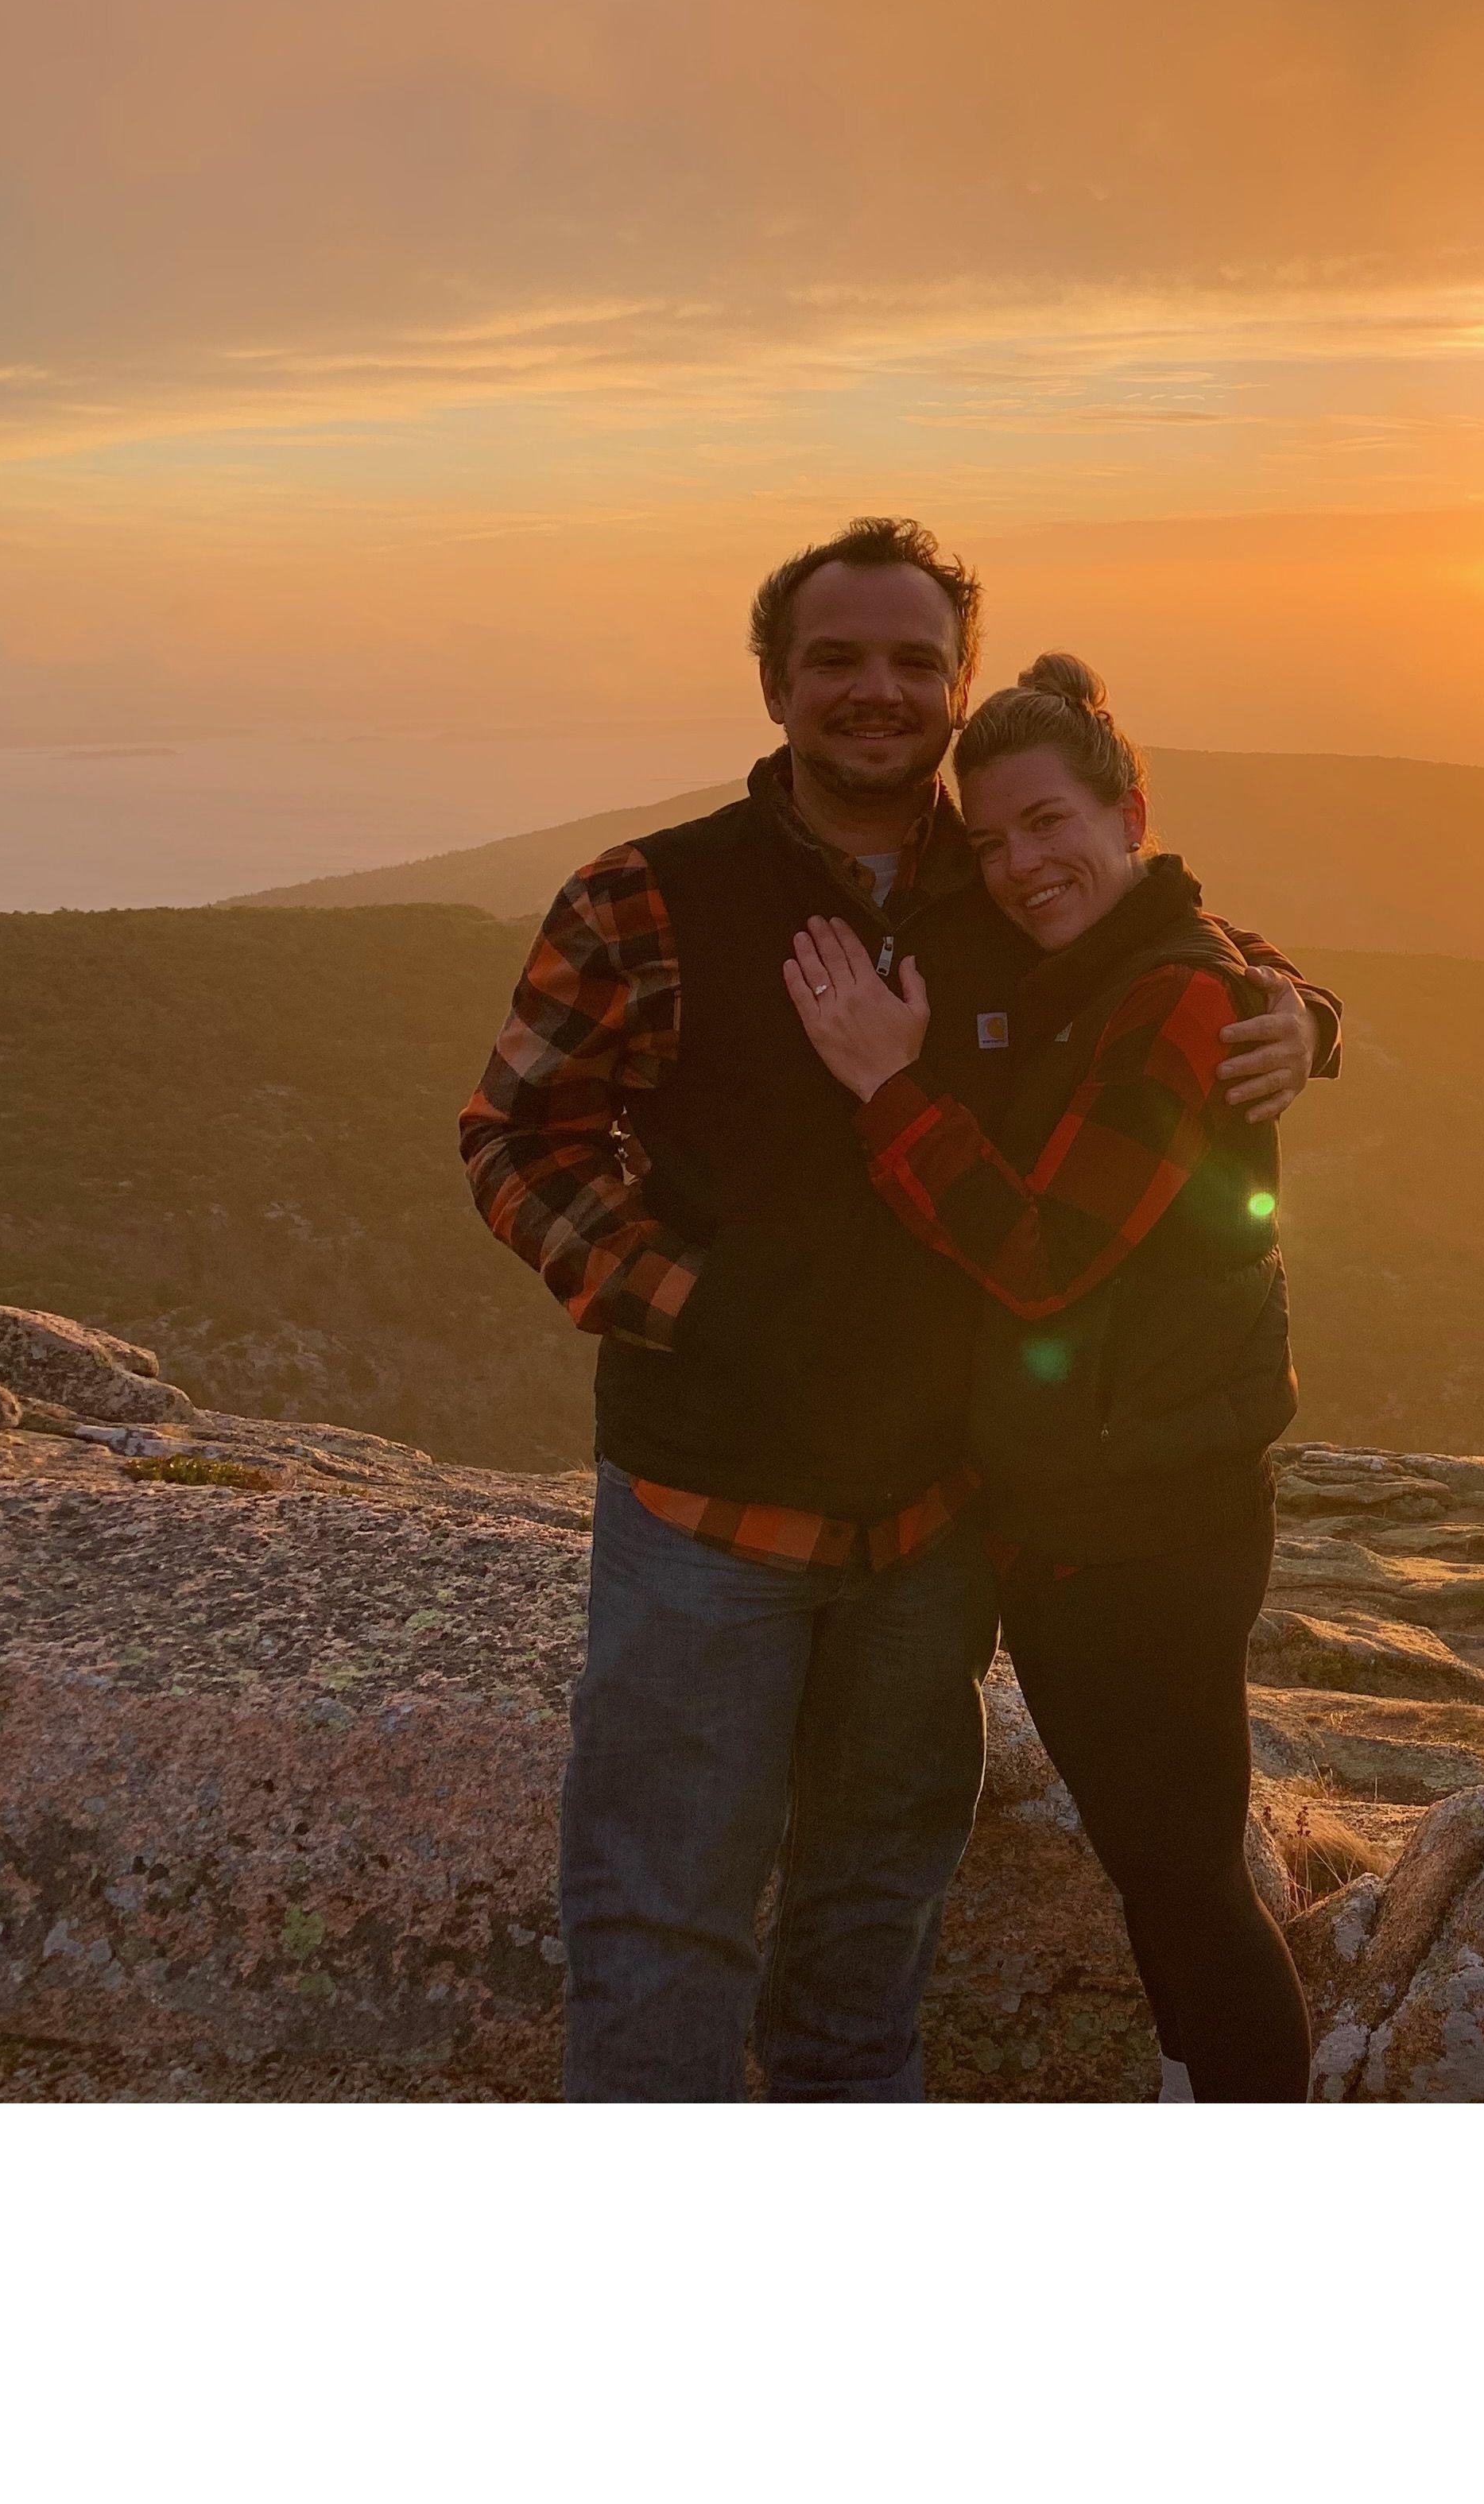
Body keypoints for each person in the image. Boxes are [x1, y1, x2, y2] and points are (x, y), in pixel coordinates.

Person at [459, 518, 1335, 2101]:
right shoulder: (648, 898)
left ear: (960, 686)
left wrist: (1296, 1006)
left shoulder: (996, 873)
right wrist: (696, 1306)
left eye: (915, 662)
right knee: (663, 1928)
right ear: (777, 685)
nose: (879, 691)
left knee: (872, 1932)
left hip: (936, 1526)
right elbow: (519, 1140)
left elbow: (1158, 927)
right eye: (838, 660)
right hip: (706, 1518)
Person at [781, 652, 1316, 2102]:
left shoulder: (1170, 999)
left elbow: (1034, 1257)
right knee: (1164, 1867)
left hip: (1144, 1532)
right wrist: (1309, 1004)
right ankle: (1191, 2083)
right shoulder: (1100, 967)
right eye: (993, 837)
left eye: (1049, 825)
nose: (1019, 866)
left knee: (1188, 1876)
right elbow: (1211, 945)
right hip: (1095, 1512)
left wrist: (888, 1085)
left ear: (1126, 809)